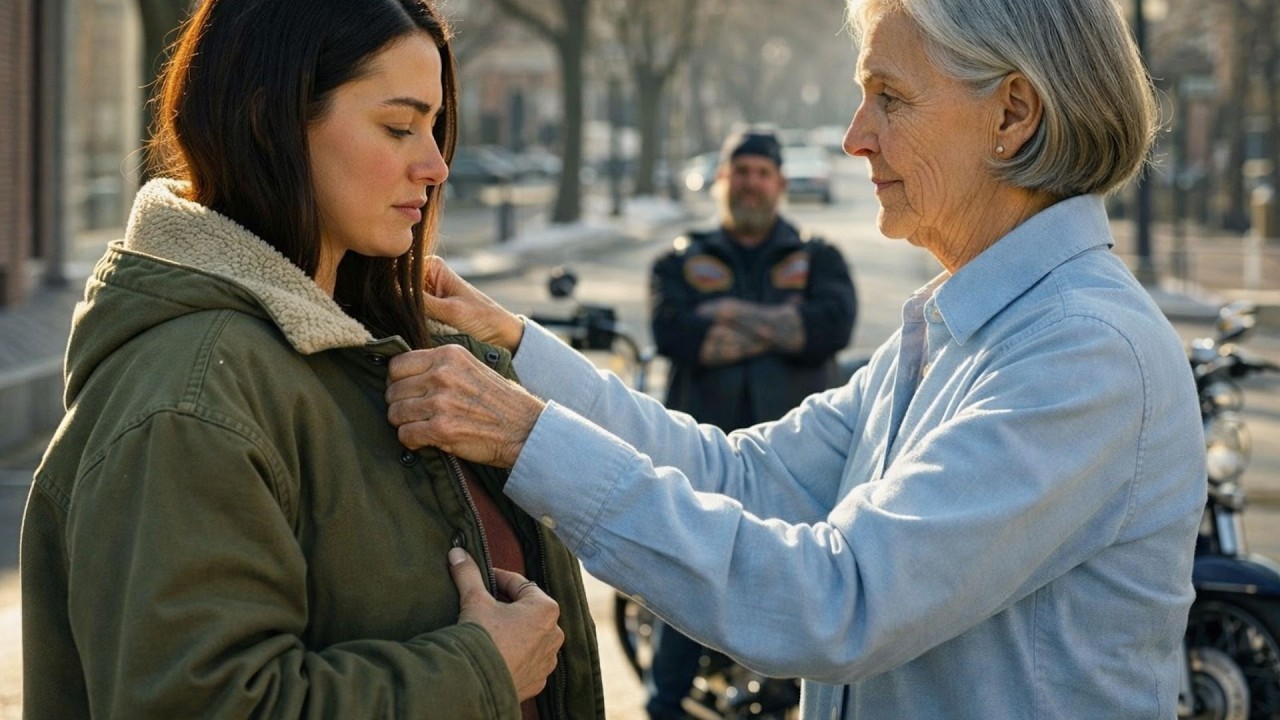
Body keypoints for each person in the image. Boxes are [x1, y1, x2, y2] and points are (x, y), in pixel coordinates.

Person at [385, 0, 1207, 717]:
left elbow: (835, 602)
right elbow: (739, 475)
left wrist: (528, 441)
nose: (856, 139)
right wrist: (518, 350)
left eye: (890, 98)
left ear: (1013, 115)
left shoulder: (1084, 352)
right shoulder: (963, 329)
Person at [20, 1, 605, 718]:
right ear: (272, 120)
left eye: (436, 125)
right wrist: (475, 672)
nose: (436, 164)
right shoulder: (191, 402)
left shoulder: (406, 353)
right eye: (399, 126)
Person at [646, 128, 856, 718]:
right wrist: (780, 326)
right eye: (740, 171)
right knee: (682, 585)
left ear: (780, 184)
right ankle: (663, 704)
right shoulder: (681, 259)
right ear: (722, 179)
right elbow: (676, 333)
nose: (751, 183)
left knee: (797, 596)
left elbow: (828, 328)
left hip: (797, 468)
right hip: (698, 462)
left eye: (762, 173)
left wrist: (725, 315)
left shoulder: (820, 256)